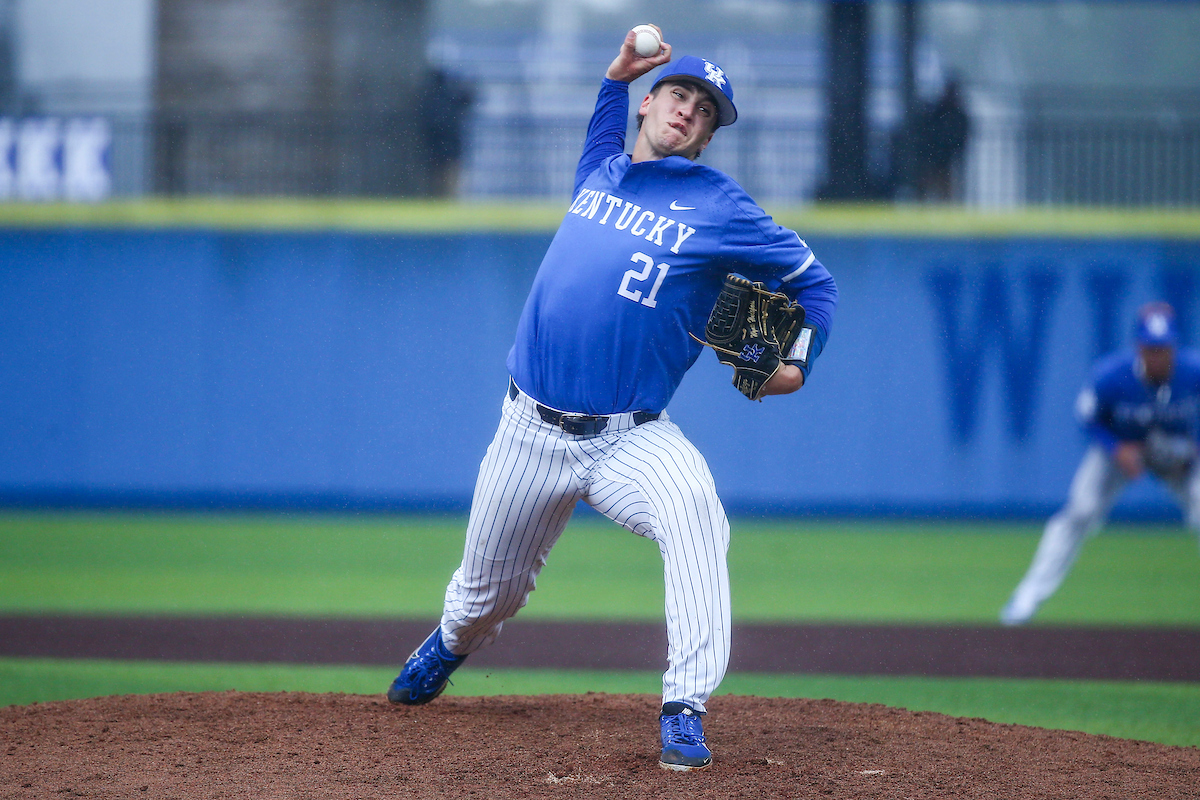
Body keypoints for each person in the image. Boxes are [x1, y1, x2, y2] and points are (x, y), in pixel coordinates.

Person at [386, 26, 838, 772]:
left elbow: (815, 284)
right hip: (528, 429)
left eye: (706, 108)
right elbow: (606, 111)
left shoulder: (720, 206)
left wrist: (798, 360)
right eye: (680, 93)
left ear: (710, 132)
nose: (689, 110)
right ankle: (449, 644)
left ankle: (684, 706)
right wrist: (616, 73)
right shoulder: (602, 168)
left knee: (696, 511)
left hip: (629, 436)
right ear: (649, 103)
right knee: (484, 597)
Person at [1001, 302, 1200, 626]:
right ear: (1139, 347)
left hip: (1177, 452)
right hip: (1120, 450)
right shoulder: (1112, 375)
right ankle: (1026, 598)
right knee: (1080, 511)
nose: (1159, 356)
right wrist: (1116, 448)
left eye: (1164, 348)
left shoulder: (1192, 371)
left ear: (1174, 347)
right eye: (1152, 348)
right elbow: (1087, 416)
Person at [916, 78, 969, 202]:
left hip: (946, 158)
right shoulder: (938, 111)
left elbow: (961, 136)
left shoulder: (955, 113)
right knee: (926, 187)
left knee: (945, 190)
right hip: (933, 156)